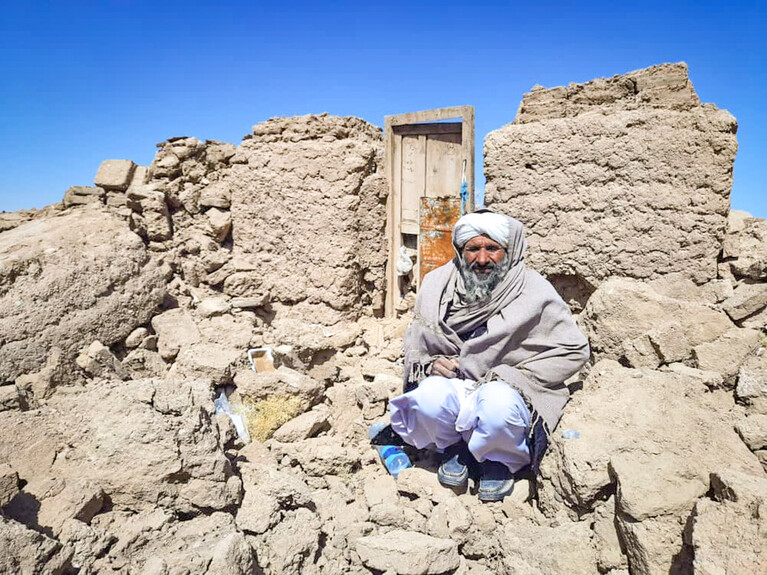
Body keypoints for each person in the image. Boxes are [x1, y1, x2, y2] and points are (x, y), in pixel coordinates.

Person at [388, 209, 590, 501]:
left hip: (508, 389)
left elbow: (573, 350)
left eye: (492, 248)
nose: (482, 259)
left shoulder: (534, 291)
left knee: (497, 404)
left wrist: (510, 375)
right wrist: (432, 365)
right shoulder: (437, 285)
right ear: (460, 251)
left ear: (510, 250)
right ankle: (453, 447)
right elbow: (419, 346)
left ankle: (499, 460)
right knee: (428, 398)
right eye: (473, 249)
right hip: (458, 384)